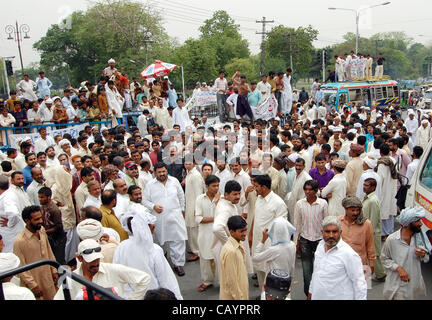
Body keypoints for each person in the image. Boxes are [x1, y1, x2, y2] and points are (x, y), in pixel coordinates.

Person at [113, 208, 183, 300]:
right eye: (152, 225)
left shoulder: (121, 247)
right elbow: (166, 280)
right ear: (146, 227)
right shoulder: (154, 250)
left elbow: (118, 277)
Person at [54, 238, 151, 300]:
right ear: (79, 258)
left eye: (97, 259)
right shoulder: (71, 279)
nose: (95, 263)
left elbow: (144, 278)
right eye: (91, 260)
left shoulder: (112, 270)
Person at [142, 162, 187, 277]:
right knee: (160, 240)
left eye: (164, 171)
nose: (162, 174)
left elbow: (181, 196)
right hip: (159, 218)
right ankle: (162, 258)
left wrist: (182, 210)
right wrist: (153, 206)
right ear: (155, 173)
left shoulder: (174, 181)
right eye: (159, 172)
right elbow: (144, 200)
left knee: (178, 240)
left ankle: (178, 264)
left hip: (175, 215)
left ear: (167, 171)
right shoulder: (150, 184)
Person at [308, 216, 367, 300]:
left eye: (334, 232)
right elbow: (316, 272)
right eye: (327, 232)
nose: (331, 235)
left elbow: (359, 283)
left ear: (340, 232)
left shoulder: (349, 254)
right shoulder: (320, 247)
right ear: (322, 232)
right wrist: (311, 291)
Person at [381, 207, 431, 300]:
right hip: (396, 285)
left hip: (413, 285)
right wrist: (398, 268)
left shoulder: (420, 238)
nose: (420, 223)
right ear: (408, 224)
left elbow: (426, 258)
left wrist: (423, 255)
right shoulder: (392, 240)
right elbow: (384, 259)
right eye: (417, 221)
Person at [251, 174, 288, 291]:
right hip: (258, 241)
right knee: (260, 270)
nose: (254, 188)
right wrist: (251, 234)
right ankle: (263, 294)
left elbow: (282, 226)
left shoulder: (278, 203)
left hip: (270, 244)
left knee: (269, 272)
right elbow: (255, 217)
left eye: (256, 186)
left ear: (264, 187)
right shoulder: (259, 199)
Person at [13, 205, 58, 300]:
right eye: (37, 219)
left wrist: (54, 270)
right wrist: (33, 285)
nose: (41, 221)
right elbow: (20, 267)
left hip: (48, 279)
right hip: (34, 284)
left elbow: (49, 251)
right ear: (27, 221)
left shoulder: (41, 231)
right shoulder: (19, 241)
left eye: (41, 218)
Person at [294, 179, 329, 297]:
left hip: (320, 240)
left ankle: (320, 294)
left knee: (321, 270)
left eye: (310, 190)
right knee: (306, 271)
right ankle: (308, 294)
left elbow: (326, 222)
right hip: (304, 240)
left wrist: (327, 241)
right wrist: (296, 243)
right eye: (306, 189)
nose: (308, 192)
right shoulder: (299, 204)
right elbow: (297, 224)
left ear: (316, 191)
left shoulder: (323, 204)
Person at [253, 217, 296, 298]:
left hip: (272, 283)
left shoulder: (274, 250)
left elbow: (255, 257)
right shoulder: (292, 245)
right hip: (286, 281)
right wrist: (290, 280)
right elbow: (292, 266)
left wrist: (262, 240)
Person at [339, 196, 376, 287]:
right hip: (341, 264)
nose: (356, 213)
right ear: (345, 209)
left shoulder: (366, 224)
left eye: (357, 210)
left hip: (360, 265)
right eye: (353, 210)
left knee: (360, 291)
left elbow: (370, 244)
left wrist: (371, 264)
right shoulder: (338, 222)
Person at [195, 175, 220, 292]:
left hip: (218, 235)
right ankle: (207, 281)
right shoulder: (200, 199)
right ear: (207, 186)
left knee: (219, 259)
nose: (216, 188)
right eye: (213, 186)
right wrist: (215, 218)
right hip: (204, 234)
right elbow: (198, 218)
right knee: (205, 259)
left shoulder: (222, 199)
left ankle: (222, 282)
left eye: (217, 185)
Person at [362, 178, 387, 282]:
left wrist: (368, 234)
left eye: (367, 185)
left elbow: (373, 219)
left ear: (373, 187)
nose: (364, 187)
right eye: (364, 185)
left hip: (372, 232)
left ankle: (381, 274)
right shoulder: (367, 198)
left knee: (374, 254)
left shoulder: (373, 200)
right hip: (368, 231)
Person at [219, 215, 249, 300]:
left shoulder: (238, 244)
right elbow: (232, 282)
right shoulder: (231, 251)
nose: (245, 234)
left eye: (246, 230)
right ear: (232, 232)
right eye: (241, 231)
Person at [183, 155, 205, 262]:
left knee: (194, 229)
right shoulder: (189, 174)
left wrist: (198, 208)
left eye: (189, 163)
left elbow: (199, 193)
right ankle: (193, 248)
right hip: (189, 204)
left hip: (194, 206)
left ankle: (197, 251)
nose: (187, 165)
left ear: (194, 163)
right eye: (186, 163)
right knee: (191, 228)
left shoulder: (195, 175)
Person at [38, 187, 67, 265]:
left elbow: (59, 227)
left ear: (49, 197)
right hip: (50, 238)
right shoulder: (42, 207)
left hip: (58, 239)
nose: (40, 199)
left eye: (42, 197)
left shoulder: (54, 210)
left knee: (59, 260)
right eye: (39, 197)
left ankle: (63, 276)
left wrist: (44, 232)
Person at [0, 175, 23, 253]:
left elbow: (14, 214)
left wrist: (9, 223)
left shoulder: (7, 198)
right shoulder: (7, 194)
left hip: (10, 234)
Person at [286, 157, 312, 223]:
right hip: (293, 205)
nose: (297, 167)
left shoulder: (307, 178)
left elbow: (313, 193)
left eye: (300, 166)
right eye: (296, 165)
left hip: (302, 207)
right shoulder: (296, 175)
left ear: (304, 166)